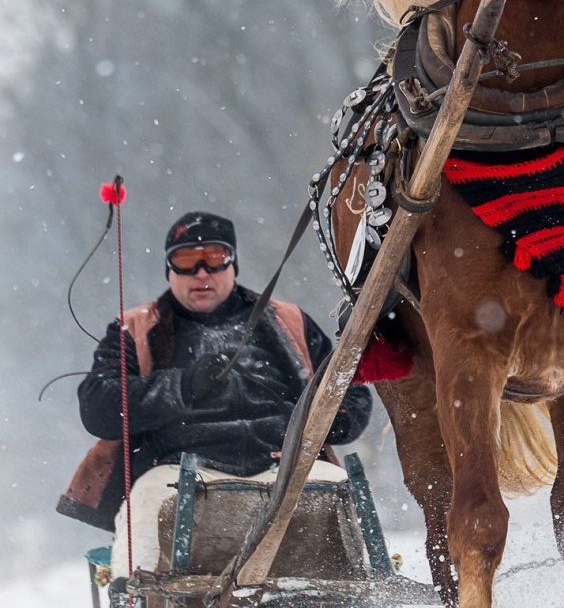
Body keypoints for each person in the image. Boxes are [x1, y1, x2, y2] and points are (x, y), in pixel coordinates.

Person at [58, 210, 372, 575]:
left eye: (215, 259)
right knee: (141, 504)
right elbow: (98, 407)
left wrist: (316, 421)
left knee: (340, 492)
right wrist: (183, 386)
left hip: (286, 469)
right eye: (187, 260)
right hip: (176, 474)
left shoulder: (289, 320)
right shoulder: (135, 329)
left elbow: (351, 390)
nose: (202, 273)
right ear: (169, 270)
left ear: (233, 264)